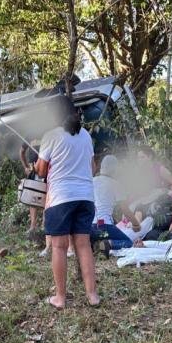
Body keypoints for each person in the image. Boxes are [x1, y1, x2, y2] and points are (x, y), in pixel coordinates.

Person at [36, 95, 100, 309]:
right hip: (86, 197)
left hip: (60, 198)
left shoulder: (50, 136)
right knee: (83, 245)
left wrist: (40, 164)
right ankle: (92, 295)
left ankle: (60, 298)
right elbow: (92, 168)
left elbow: (41, 171)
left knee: (59, 247)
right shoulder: (86, 135)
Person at [92, 155, 134, 251]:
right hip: (103, 226)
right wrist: (136, 224)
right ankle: (108, 243)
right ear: (115, 170)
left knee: (101, 235)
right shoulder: (116, 184)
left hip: (90, 227)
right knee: (128, 242)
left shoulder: (91, 181)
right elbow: (125, 209)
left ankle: (96, 242)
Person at [20, 140, 43, 234]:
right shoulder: (29, 136)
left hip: (45, 169)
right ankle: (33, 226)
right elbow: (21, 152)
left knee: (46, 197)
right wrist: (26, 167)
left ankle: (44, 226)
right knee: (32, 198)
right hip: (33, 171)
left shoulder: (48, 134)